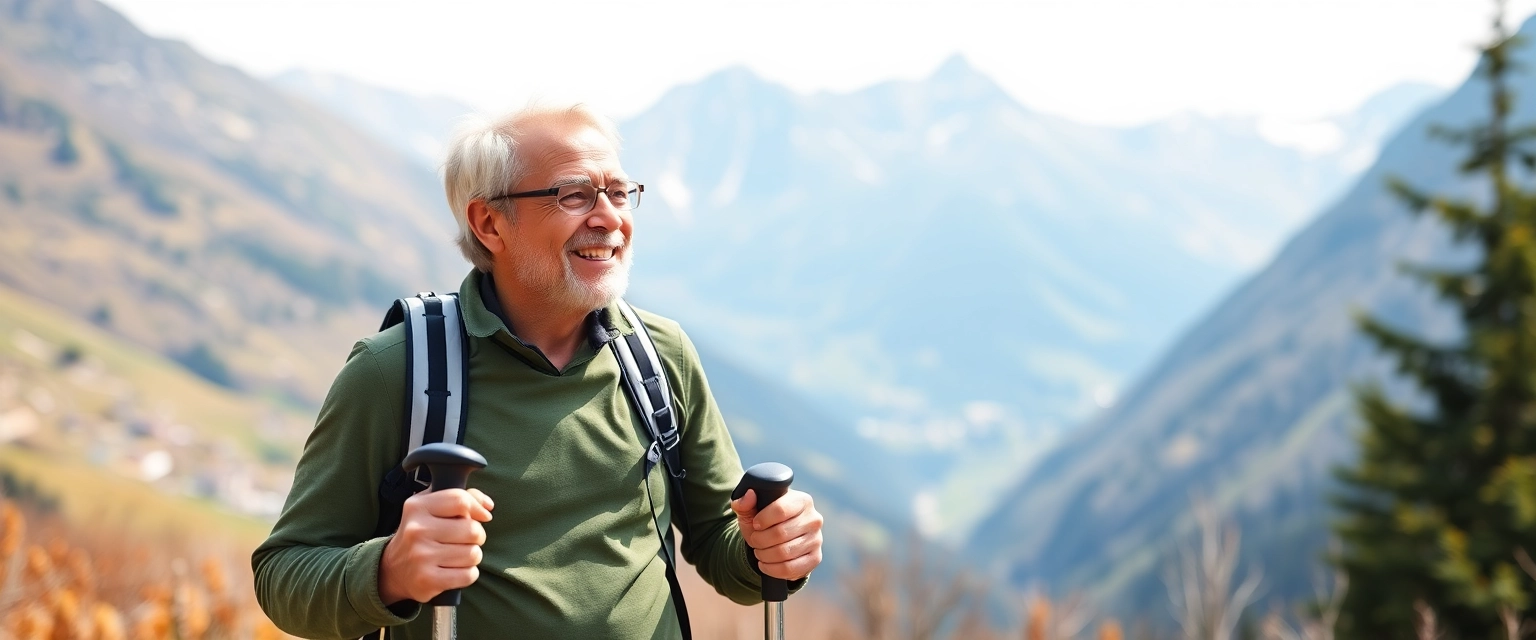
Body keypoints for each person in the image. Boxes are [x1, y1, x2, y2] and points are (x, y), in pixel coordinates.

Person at [252, 103, 825, 639]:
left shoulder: (661, 354)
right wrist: (390, 571)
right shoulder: (396, 369)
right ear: (490, 224)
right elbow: (284, 574)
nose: (609, 218)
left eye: (620, 193)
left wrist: (769, 547)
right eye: (574, 195)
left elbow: (725, 551)